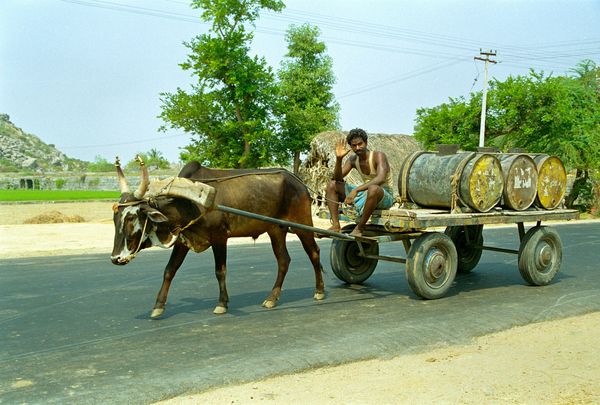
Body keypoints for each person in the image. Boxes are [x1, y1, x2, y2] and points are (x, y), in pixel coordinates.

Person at [325, 128, 395, 237]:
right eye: (354, 145)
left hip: (384, 196)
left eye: (360, 144)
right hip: (365, 194)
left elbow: (380, 179)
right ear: (351, 147)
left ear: (366, 143)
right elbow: (337, 178)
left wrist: (356, 190)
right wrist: (339, 159)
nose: (357, 147)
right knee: (332, 185)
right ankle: (335, 225)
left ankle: (360, 228)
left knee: (373, 188)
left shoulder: (378, 156)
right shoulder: (353, 160)